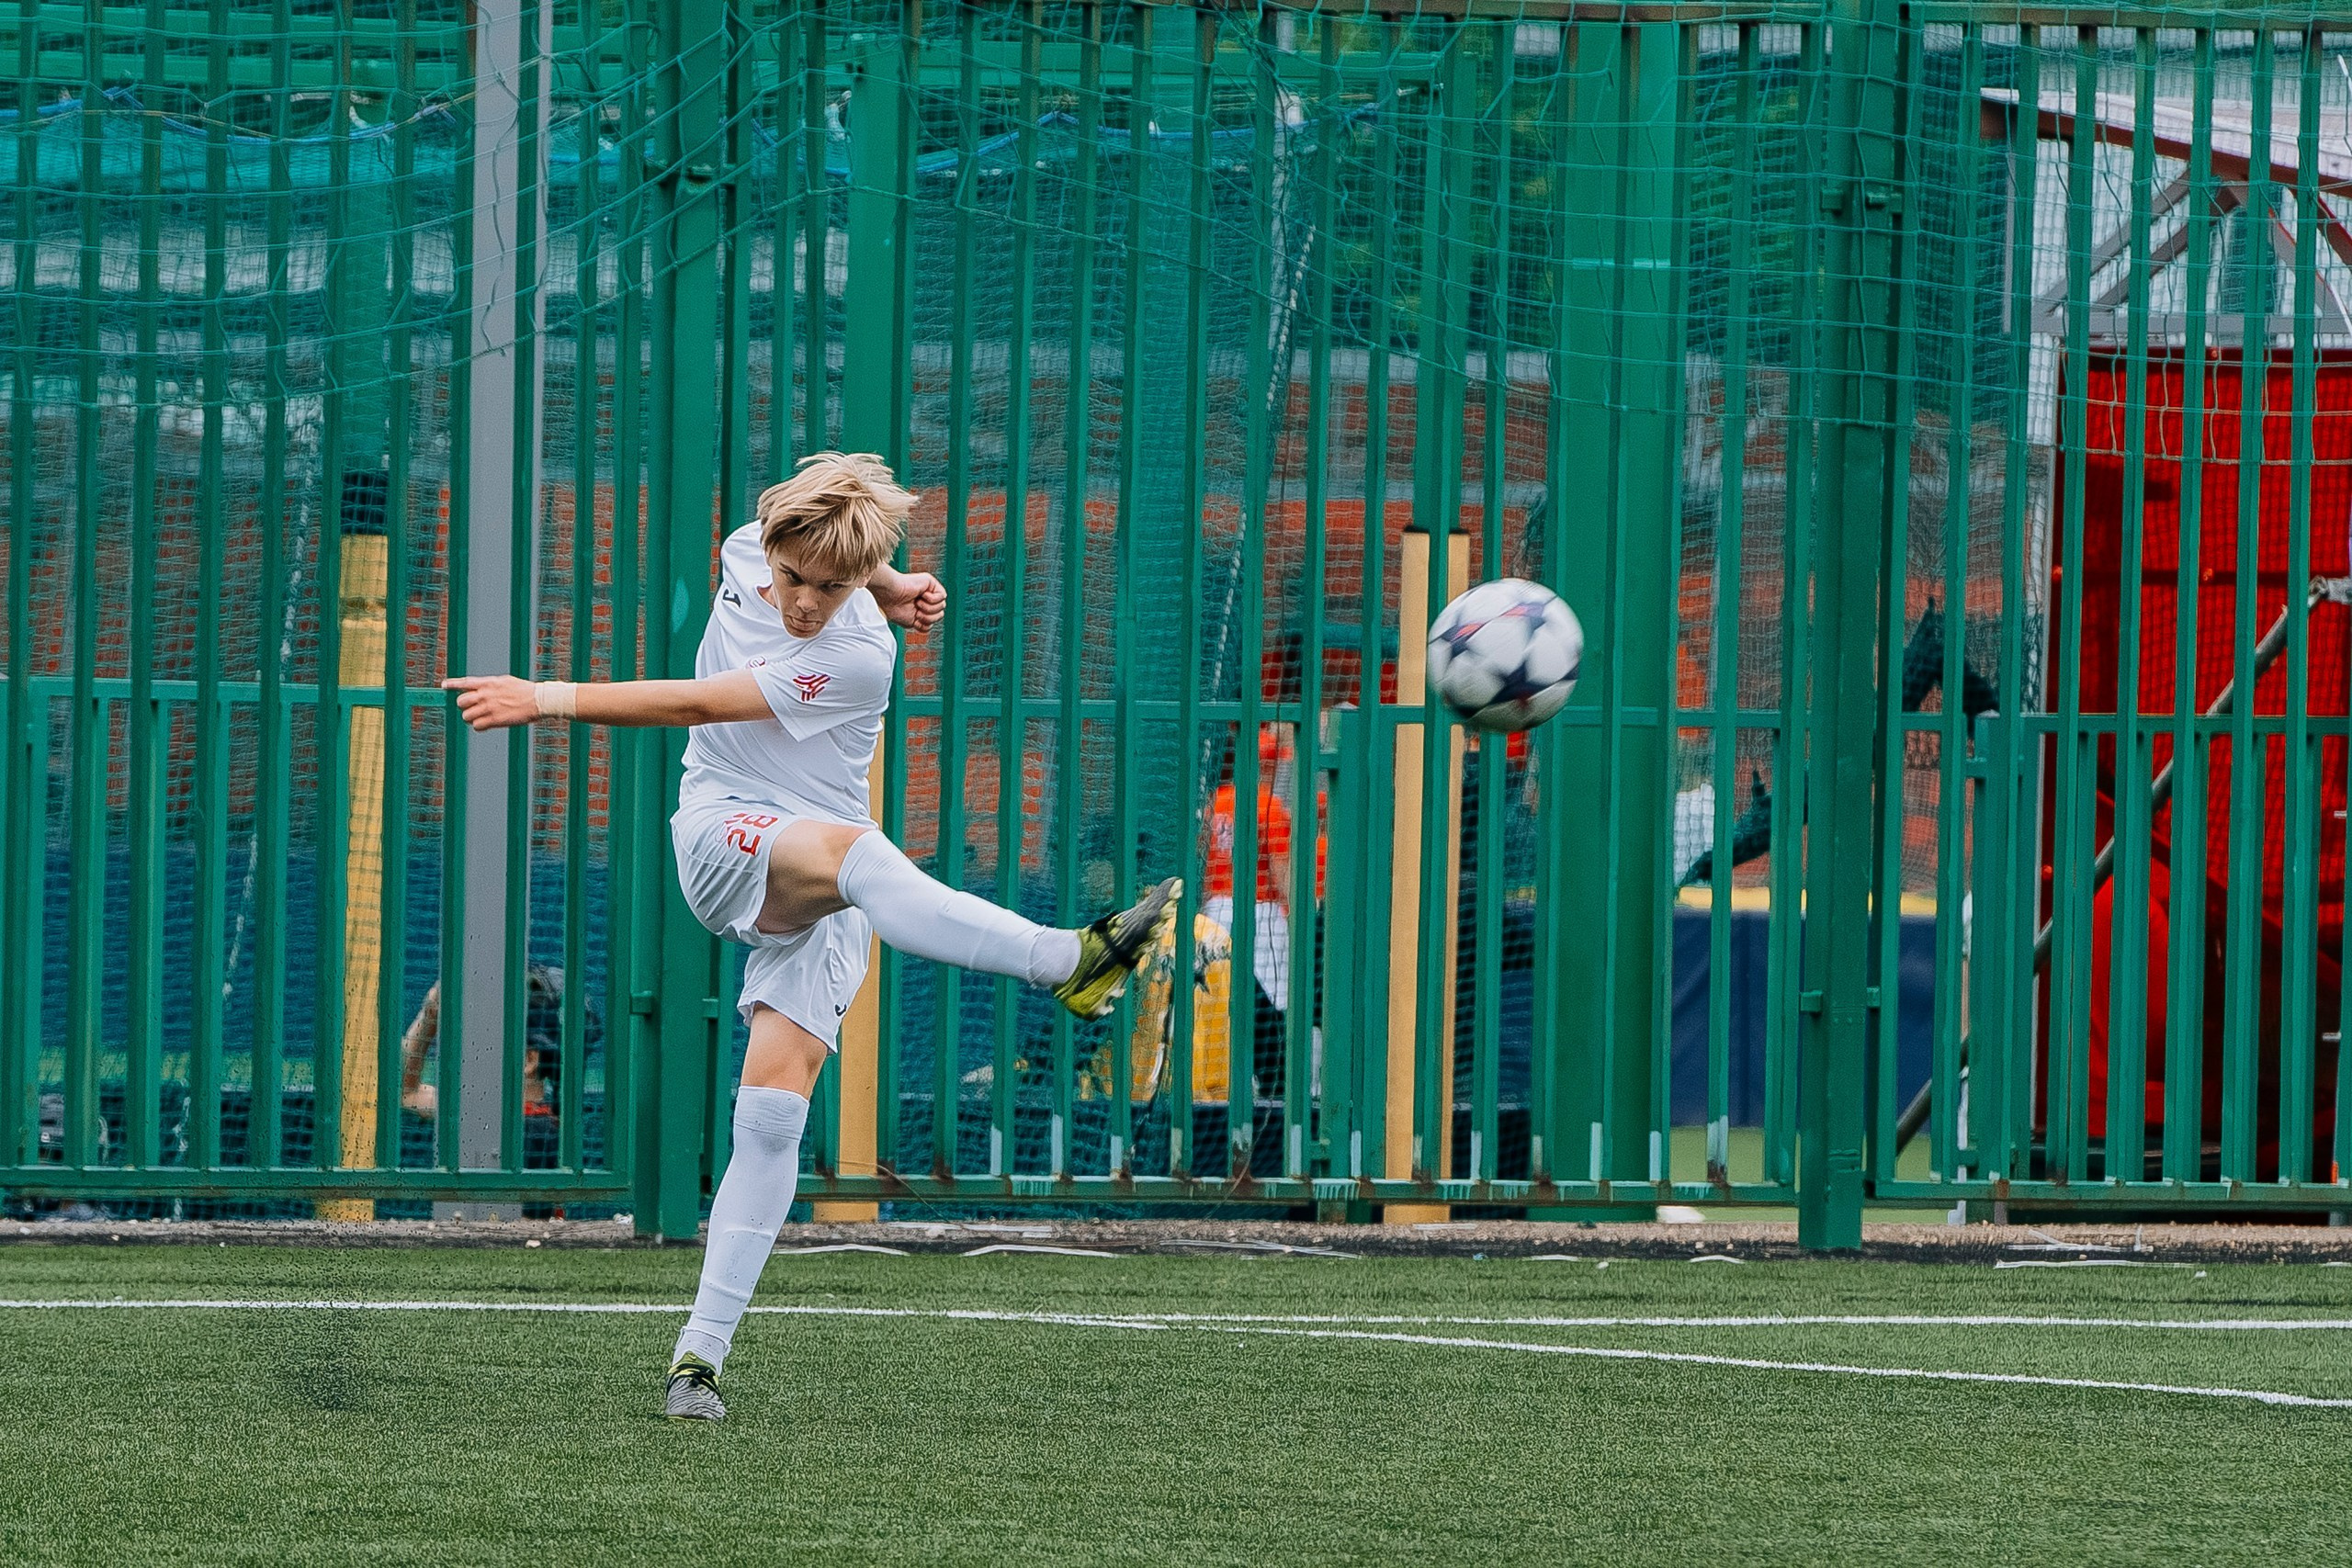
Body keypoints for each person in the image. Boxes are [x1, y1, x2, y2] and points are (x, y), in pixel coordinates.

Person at [445, 452, 1179, 1422]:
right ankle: (1066, 962)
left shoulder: (860, 655)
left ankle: (696, 1361)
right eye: (794, 578)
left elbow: (707, 696)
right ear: (771, 549)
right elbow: (733, 682)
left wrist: (542, 696)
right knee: (863, 858)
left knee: (773, 1118)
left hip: (821, 881)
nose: (802, 601)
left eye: (830, 588)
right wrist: (895, 576)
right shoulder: (752, 542)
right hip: (724, 835)